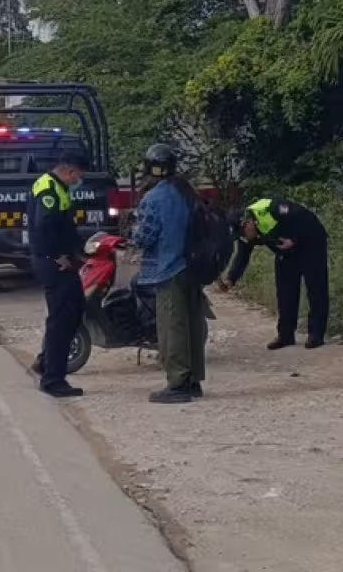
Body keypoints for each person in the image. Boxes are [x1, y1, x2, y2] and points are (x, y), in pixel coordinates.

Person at [132, 143, 207, 404]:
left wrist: (132, 232)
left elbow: (144, 237)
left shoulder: (153, 198)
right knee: (192, 325)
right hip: (192, 267)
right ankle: (193, 380)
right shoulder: (187, 192)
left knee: (171, 328)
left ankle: (177, 384)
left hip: (168, 268)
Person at [220, 198, 330, 349]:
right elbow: (242, 256)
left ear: (247, 222)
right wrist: (230, 279)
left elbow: (303, 216)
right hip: (286, 251)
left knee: (316, 288)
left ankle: (316, 335)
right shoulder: (246, 233)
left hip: (310, 242)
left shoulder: (270, 208)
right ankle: (285, 335)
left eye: (243, 233)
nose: (244, 238)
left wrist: (295, 239)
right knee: (285, 291)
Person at [28, 149, 90, 398]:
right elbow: (44, 228)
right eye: (78, 176)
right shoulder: (48, 189)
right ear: (68, 170)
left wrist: (79, 254)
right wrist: (58, 257)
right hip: (52, 263)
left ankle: (46, 362)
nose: (78, 181)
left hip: (62, 262)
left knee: (75, 310)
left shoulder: (58, 187)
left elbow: (64, 227)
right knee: (61, 320)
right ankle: (53, 379)